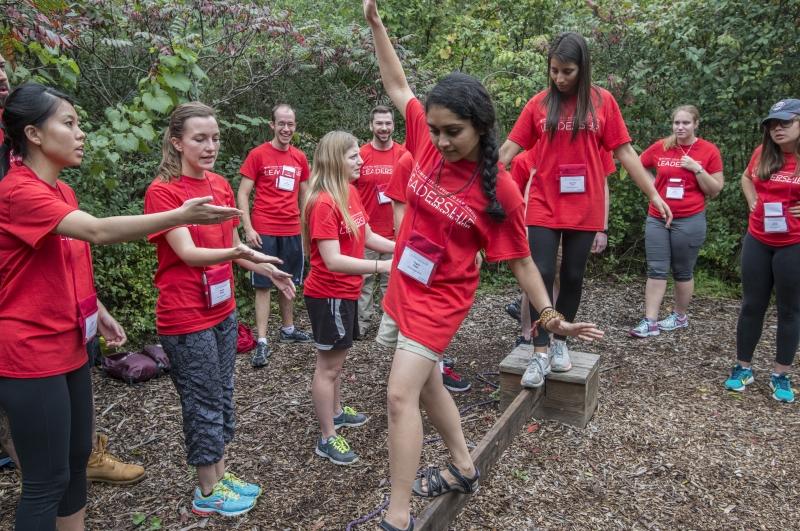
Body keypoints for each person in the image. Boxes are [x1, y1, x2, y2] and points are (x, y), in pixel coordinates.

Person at [363, 3, 604, 530]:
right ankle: (464, 466)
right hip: (404, 281)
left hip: (440, 298)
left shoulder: (500, 190)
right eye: (436, 130)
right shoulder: (426, 143)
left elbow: (521, 262)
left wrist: (550, 318)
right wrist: (378, 27)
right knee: (426, 385)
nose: (442, 142)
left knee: (400, 393)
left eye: (453, 132)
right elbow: (397, 84)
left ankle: (398, 517)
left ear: (479, 127)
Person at [0, 82, 240, 530]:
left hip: (72, 346)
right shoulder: (18, 192)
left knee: (74, 468)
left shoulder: (62, 193)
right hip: (31, 355)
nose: (80, 133)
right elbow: (97, 231)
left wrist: (99, 308)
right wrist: (181, 215)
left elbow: (65, 261)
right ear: (33, 134)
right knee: (45, 480)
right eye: (68, 124)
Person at [144, 102, 296, 516]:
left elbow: (232, 248)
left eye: (214, 137)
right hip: (185, 316)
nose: (210, 146)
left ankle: (221, 472)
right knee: (202, 400)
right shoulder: (163, 191)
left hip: (223, 311)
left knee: (223, 394)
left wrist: (264, 266)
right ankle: (207, 492)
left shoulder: (220, 185)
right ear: (176, 142)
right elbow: (191, 253)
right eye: (199, 139)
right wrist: (239, 251)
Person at [499, 31, 672, 383]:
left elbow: (624, 152)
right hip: (544, 203)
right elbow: (509, 149)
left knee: (574, 276)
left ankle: (561, 340)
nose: (559, 78)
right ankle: (540, 351)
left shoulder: (602, 102)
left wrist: (653, 194)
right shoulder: (538, 104)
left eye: (568, 71)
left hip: (585, 205)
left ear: (583, 68)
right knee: (542, 273)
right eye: (554, 70)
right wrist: (480, 184)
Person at [302, 130, 395, 465]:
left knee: (338, 362)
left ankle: (337, 411)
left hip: (346, 293)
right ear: (335, 159)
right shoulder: (324, 202)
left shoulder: (350, 193)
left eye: (359, 154)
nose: (361, 160)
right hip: (328, 294)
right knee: (327, 367)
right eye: (354, 155)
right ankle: (327, 437)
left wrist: (400, 249)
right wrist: (381, 267)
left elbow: (367, 234)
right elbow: (332, 260)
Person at [724, 98, 800, 404]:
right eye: (772, 124)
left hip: (793, 243)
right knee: (752, 305)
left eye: (785, 123)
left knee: (790, 310)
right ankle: (743, 367)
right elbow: (745, 177)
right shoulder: (762, 153)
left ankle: (780, 373)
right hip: (758, 238)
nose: (777, 129)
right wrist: (752, 199)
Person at [629, 105, 724, 338]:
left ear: (696, 124)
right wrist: (653, 190)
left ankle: (679, 316)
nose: (680, 127)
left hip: (689, 219)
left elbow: (715, 189)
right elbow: (637, 164)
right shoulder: (663, 146)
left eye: (686, 123)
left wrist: (698, 169)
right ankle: (650, 321)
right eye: (676, 123)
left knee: (682, 271)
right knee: (656, 269)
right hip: (658, 217)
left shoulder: (708, 151)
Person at [385, 150, 473, 392]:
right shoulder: (408, 160)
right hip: (415, 257)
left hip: (445, 264)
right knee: (409, 317)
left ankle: (434, 368)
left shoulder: (462, 166)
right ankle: (416, 370)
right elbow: (399, 206)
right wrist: (408, 246)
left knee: (433, 319)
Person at [237, 103, 312, 368]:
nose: (286, 128)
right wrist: (248, 228)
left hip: (291, 228)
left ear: (295, 126)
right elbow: (243, 194)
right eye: (281, 123)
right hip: (264, 228)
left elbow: (306, 197)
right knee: (263, 283)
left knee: (288, 280)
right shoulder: (258, 155)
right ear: (272, 125)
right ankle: (262, 340)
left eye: (290, 124)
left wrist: (306, 232)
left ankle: (288, 329)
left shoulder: (300, 157)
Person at [354, 105, 405, 335]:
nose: (383, 128)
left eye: (387, 123)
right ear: (371, 125)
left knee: (392, 282)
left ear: (393, 125)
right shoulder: (360, 155)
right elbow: (349, 190)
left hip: (395, 232)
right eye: (379, 123)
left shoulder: (403, 155)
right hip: (366, 232)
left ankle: (388, 328)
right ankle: (361, 325)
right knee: (363, 281)